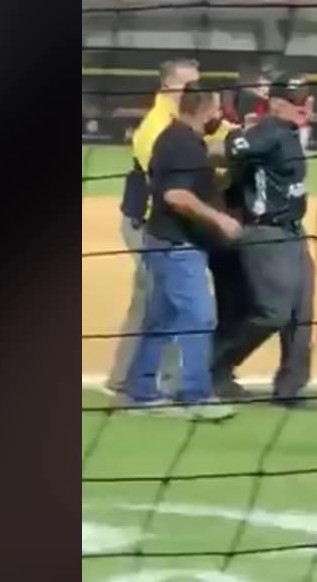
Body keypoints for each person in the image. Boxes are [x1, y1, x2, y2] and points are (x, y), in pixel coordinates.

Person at [120, 83, 242, 419]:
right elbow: (176, 195)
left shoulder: (178, 138)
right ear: (203, 108)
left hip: (164, 240)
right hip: (176, 244)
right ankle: (196, 396)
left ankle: (141, 391)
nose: (219, 114)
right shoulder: (182, 144)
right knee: (199, 317)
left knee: (162, 318)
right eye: (216, 108)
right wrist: (219, 217)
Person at [210, 71, 317, 410]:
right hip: (266, 233)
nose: (305, 107)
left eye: (308, 100)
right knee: (273, 313)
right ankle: (215, 365)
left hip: (293, 231)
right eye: (298, 102)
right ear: (276, 104)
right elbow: (224, 149)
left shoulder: (288, 131)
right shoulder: (269, 131)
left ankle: (289, 389)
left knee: (302, 313)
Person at [106, 58, 200, 397]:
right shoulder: (155, 126)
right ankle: (150, 382)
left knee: (153, 300)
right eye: (190, 84)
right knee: (170, 300)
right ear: (169, 85)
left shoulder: (181, 119)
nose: (197, 91)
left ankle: (125, 378)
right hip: (145, 223)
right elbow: (163, 183)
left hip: (159, 225)